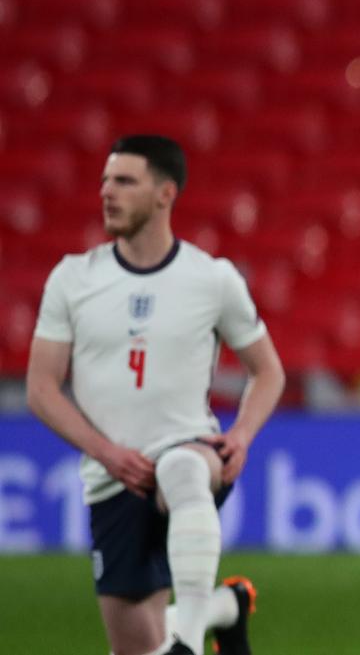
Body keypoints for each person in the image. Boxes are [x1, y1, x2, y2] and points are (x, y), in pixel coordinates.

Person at [26, 135, 282, 655]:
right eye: (104, 181)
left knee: (180, 469)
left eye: (124, 181)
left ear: (166, 194)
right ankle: (225, 607)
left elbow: (268, 371)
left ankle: (187, 638)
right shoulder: (73, 279)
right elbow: (41, 388)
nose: (107, 192)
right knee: (136, 650)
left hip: (191, 450)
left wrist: (243, 435)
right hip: (112, 478)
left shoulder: (212, 279)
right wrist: (109, 455)